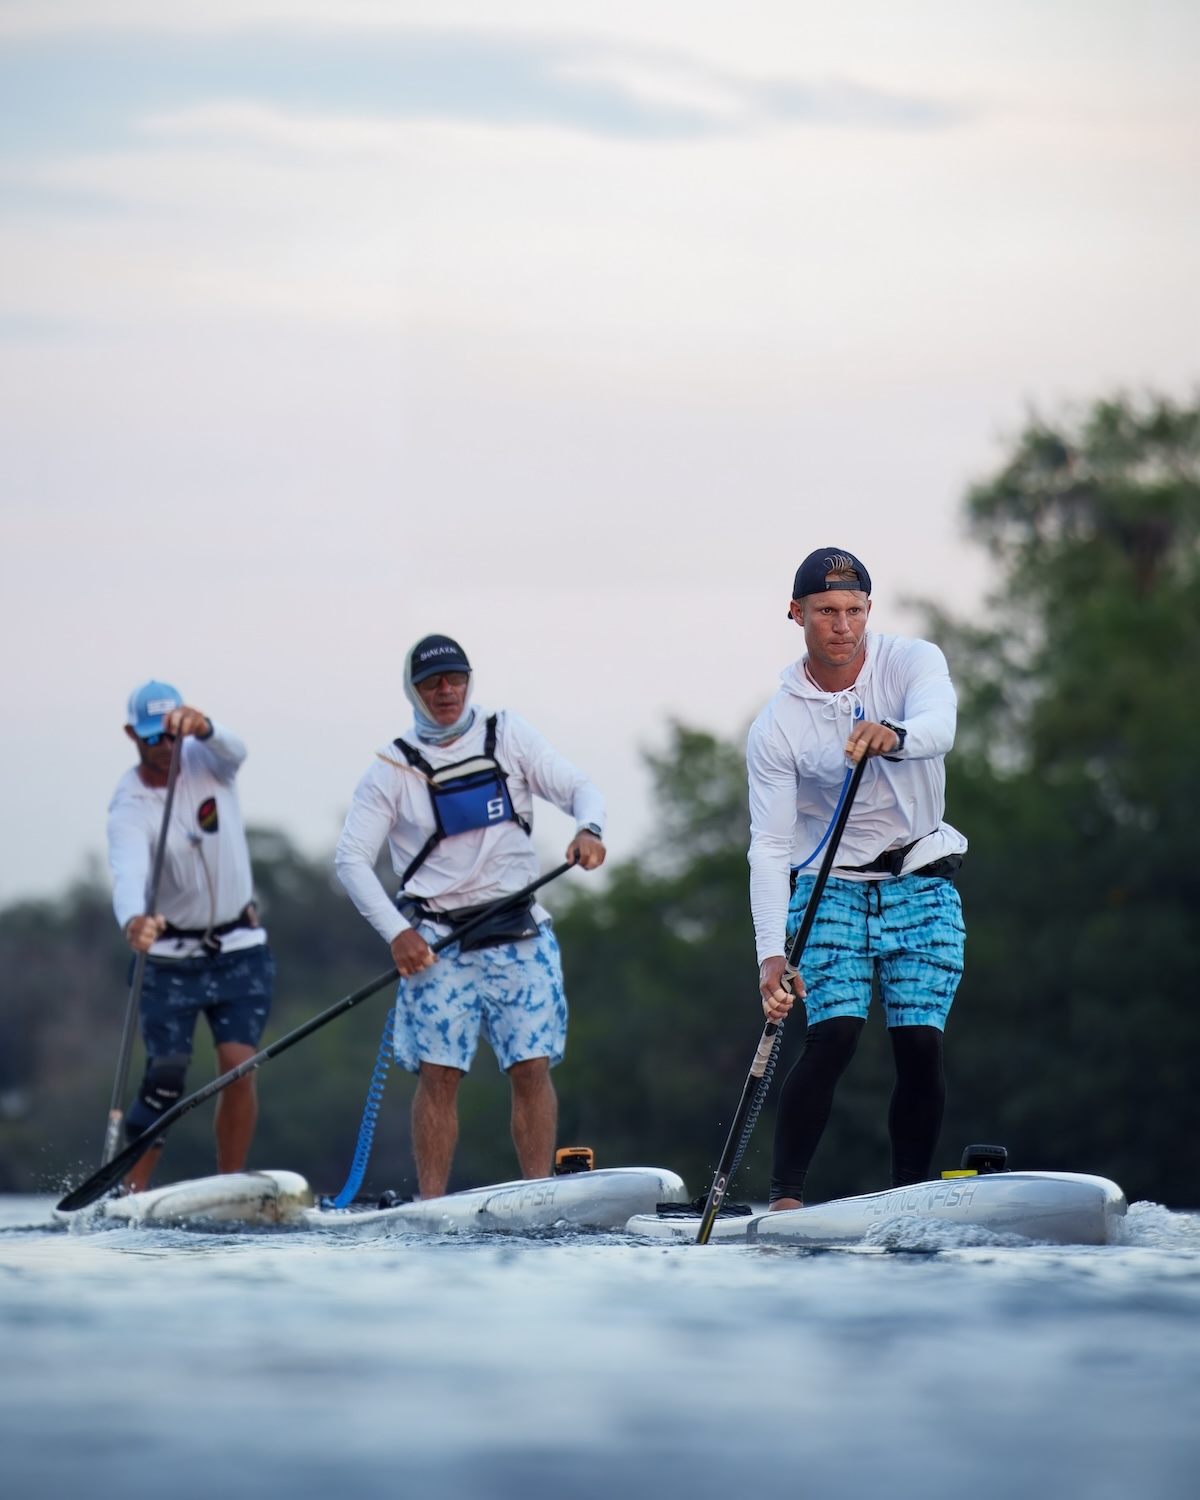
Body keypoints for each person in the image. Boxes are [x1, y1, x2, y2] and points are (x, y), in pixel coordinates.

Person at [335, 634, 606, 1199]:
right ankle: (431, 1203)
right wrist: (398, 932)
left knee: (531, 1068)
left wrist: (589, 828)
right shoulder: (392, 767)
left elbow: (581, 788)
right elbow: (351, 860)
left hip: (518, 931)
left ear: (468, 681)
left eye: (454, 679)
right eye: (431, 683)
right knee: (439, 1077)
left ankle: (537, 1196)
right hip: (438, 941)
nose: (445, 691)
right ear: (413, 690)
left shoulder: (507, 734)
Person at [747, 548, 967, 1209]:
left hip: (921, 875)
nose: (841, 626)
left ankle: (907, 1201)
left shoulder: (912, 660)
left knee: (920, 1044)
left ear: (868, 611)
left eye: (853, 611)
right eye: (825, 613)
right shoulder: (777, 723)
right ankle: (786, 1198)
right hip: (829, 884)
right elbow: (769, 845)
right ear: (797, 614)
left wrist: (891, 735)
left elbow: (941, 727)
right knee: (834, 1033)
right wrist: (770, 955)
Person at [107, 681, 275, 1191]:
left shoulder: (210, 758)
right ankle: (128, 1198)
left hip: (239, 948)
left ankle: (230, 1185)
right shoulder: (130, 803)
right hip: (168, 956)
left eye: (171, 736)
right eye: (152, 738)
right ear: (133, 734)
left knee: (237, 1065)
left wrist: (205, 726)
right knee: (165, 1080)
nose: (164, 748)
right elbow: (128, 873)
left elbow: (237, 748)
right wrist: (134, 920)